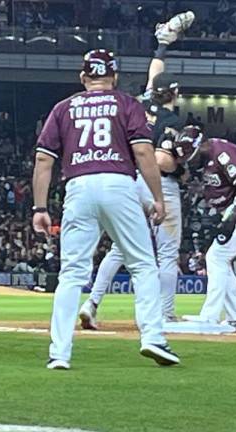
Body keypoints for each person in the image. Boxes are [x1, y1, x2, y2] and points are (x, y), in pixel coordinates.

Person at [32, 49, 179, 370]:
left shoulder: (63, 108)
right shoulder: (127, 103)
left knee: (71, 273)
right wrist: (158, 197)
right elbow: (143, 152)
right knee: (142, 265)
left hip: (78, 186)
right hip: (118, 184)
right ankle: (153, 337)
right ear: (113, 77)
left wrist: (40, 207)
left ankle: (60, 353)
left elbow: (44, 159)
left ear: (84, 77)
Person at [79, 10, 195, 330]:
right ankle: (166, 312)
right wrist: (181, 165)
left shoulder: (141, 103)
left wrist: (162, 47)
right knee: (168, 253)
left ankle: (93, 302)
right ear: (176, 93)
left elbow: (155, 73)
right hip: (158, 185)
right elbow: (161, 161)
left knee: (120, 247)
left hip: (129, 181)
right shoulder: (172, 122)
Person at [177, 125, 236, 332]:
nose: (190, 162)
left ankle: (209, 317)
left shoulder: (221, 150)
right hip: (235, 210)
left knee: (217, 258)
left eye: (191, 156)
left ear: (200, 146)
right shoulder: (204, 163)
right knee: (219, 259)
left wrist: (235, 213)